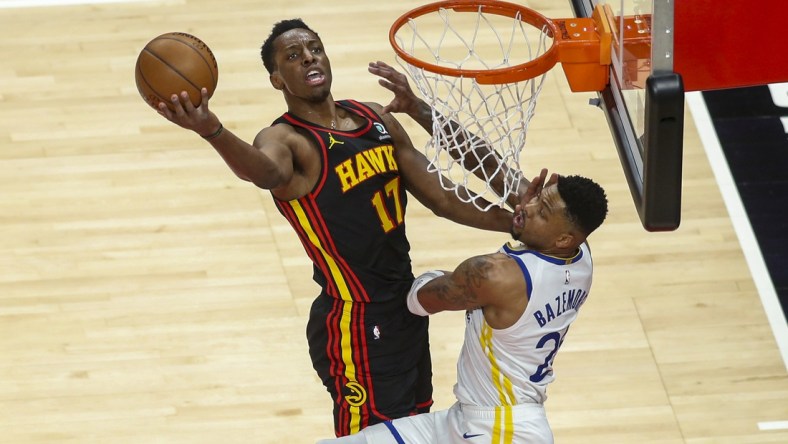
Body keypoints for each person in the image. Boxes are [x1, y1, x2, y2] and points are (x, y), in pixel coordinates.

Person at [154, 19, 516, 437]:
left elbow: (442, 197)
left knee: (414, 429)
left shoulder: (374, 118)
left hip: (405, 305)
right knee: (372, 437)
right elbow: (265, 171)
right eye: (292, 55)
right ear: (276, 79)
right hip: (354, 320)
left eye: (314, 48)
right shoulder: (287, 139)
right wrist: (212, 131)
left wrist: (511, 222)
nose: (308, 56)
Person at [317, 168, 609, 444]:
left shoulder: (497, 276)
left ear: (562, 238)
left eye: (541, 213)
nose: (528, 208)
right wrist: (420, 113)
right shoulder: (579, 253)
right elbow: (498, 172)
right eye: (536, 200)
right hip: (471, 420)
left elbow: (418, 301)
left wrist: (430, 277)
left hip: (502, 431)